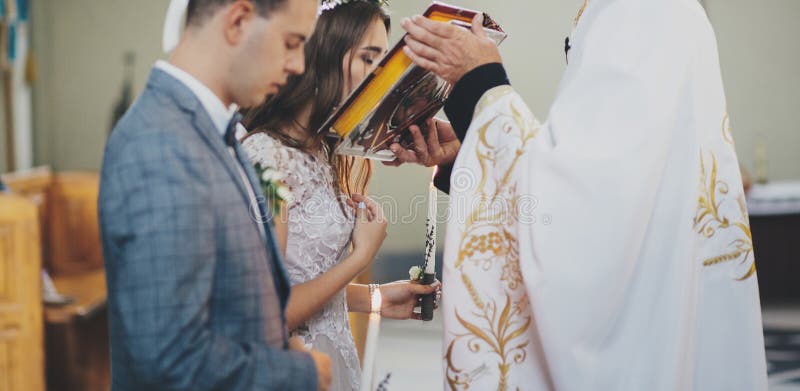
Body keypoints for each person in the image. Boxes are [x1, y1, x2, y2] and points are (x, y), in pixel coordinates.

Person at [391, 0, 768, 389]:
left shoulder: (643, 10)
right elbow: (592, 177)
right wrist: (472, 150)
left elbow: (583, 211)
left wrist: (480, 81)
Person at [98, 0, 331, 390]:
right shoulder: (160, 145)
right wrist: (299, 375)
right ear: (238, 21)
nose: (298, 65)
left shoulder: (210, 128)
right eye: (291, 42)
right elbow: (169, 362)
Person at [241, 2, 441, 390]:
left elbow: (305, 282)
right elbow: (270, 313)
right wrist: (361, 258)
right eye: (369, 59)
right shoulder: (265, 161)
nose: (380, 80)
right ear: (322, 56)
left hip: (333, 359)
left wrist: (375, 297)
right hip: (294, 368)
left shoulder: (320, 152)